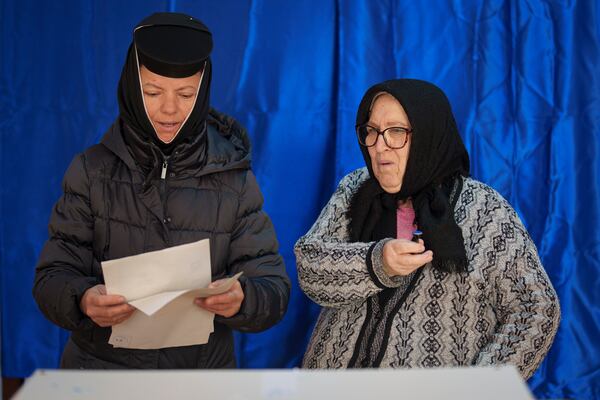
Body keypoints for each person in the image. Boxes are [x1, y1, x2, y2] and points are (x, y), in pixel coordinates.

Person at [33, 12, 290, 369]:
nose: (169, 109)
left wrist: (244, 299)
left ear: (202, 92)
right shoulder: (90, 171)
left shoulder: (234, 178)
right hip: (101, 372)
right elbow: (51, 277)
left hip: (201, 378)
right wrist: (83, 299)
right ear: (132, 88)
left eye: (186, 94)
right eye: (152, 91)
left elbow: (273, 284)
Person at [295, 79, 560, 378]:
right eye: (371, 131)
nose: (379, 146)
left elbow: (535, 308)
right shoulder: (355, 190)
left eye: (396, 131)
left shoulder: (485, 210)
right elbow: (310, 267)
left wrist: (483, 387)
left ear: (429, 134)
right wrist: (376, 262)